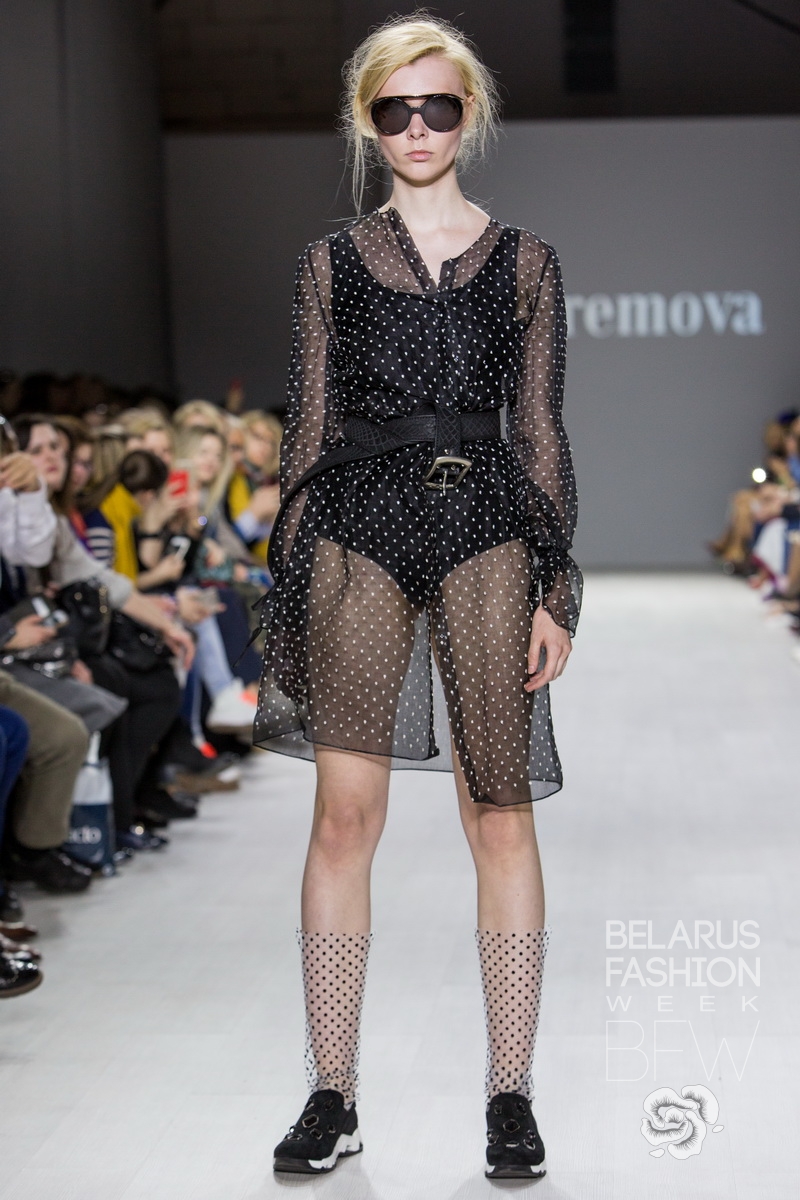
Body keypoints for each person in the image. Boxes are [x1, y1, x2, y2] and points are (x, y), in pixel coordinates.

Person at [258, 15, 581, 1181]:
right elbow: (305, 431)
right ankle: (331, 1091)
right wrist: (287, 584)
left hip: (488, 529)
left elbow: (538, 430)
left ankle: (510, 1094)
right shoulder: (330, 263)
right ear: (366, 121)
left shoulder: (525, 261)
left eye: (437, 106)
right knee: (343, 820)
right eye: (392, 110)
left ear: (468, 115)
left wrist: (555, 584)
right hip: (355, 531)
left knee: (499, 812)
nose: (416, 128)